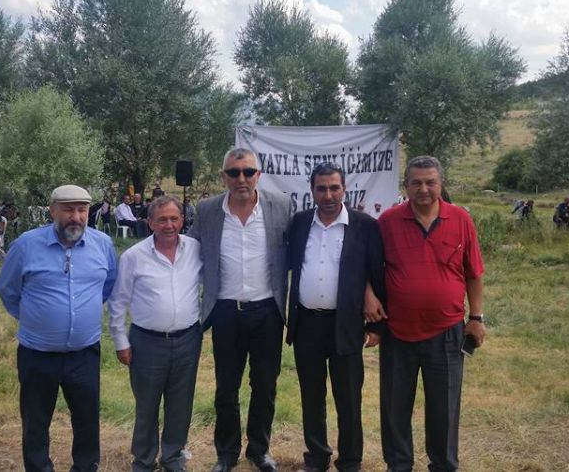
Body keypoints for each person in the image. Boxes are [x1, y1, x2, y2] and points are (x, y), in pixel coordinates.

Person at [366, 155, 486, 472]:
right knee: (395, 408)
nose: (423, 189)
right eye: (416, 182)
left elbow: (473, 273)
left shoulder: (461, 220)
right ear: (405, 185)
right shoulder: (388, 221)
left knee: (444, 409)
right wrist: (367, 294)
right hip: (398, 332)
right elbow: (369, 266)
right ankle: (398, 465)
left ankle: (444, 465)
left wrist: (476, 318)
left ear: (440, 184)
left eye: (430, 182)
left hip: (447, 332)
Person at [0, 185, 118, 472]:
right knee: (36, 422)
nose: (76, 217)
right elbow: (7, 290)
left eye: (82, 210)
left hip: (85, 354)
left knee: (87, 420)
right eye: (68, 210)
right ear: (52, 211)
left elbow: (108, 285)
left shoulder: (102, 244)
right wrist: (36, 319)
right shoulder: (26, 245)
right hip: (37, 354)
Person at [188, 148, 291, 472]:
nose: (241, 179)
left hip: (267, 312)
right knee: (226, 388)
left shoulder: (281, 206)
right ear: (224, 177)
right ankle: (226, 453)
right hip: (226, 312)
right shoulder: (207, 210)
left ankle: (259, 450)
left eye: (248, 172)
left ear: (258, 174)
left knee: (265, 386)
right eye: (234, 172)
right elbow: (189, 251)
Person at [285, 163, 384, 472]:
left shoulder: (364, 225)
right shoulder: (300, 223)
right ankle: (317, 457)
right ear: (312, 191)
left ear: (344, 189)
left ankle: (350, 461)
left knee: (349, 398)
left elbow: (376, 273)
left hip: (347, 324)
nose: (327, 195)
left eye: (334, 188)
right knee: (311, 396)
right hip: (307, 324)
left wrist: (376, 325)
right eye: (321, 189)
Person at [107, 195, 203, 472]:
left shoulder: (195, 249)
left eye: (174, 219)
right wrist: (120, 341)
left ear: (182, 220)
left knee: (181, 403)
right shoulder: (134, 256)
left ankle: (173, 457)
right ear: (149, 222)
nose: (168, 225)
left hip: (187, 339)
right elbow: (118, 301)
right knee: (147, 405)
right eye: (162, 220)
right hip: (147, 342)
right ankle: (144, 460)